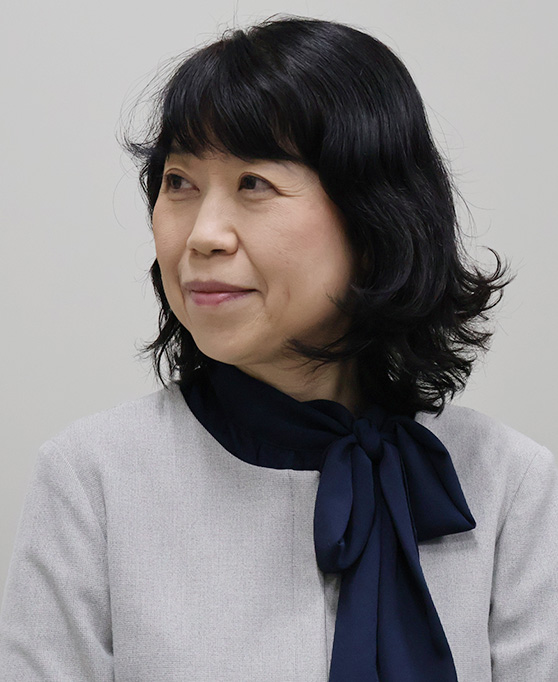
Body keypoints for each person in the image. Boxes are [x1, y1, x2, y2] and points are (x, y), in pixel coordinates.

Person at [1, 14, 557, 682]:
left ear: (375, 217)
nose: (202, 235)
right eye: (179, 182)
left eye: (253, 184)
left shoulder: (507, 483)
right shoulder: (93, 479)